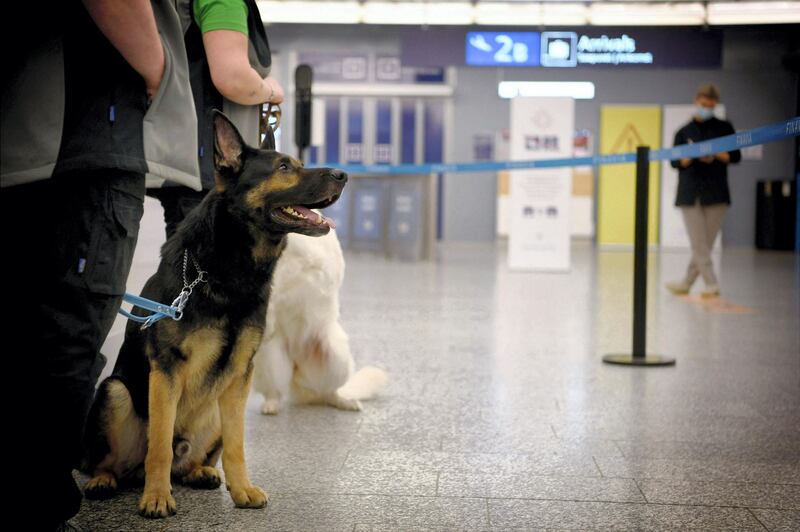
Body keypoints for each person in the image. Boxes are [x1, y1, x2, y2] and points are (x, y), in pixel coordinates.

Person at [1, 1, 200, 529]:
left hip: (34, 143)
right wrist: (157, 65)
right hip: (91, 140)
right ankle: (37, 503)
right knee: (69, 328)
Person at [149, 0, 286, 239]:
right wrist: (271, 90)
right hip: (208, 171)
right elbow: (233, 78)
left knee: (189, 263)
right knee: (200, 268)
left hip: (193, 162)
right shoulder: (224, 1)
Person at [665, 83, 741, 298]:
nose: (706, 107)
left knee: (704, 244)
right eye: (703, 103)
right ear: (696, 100)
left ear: (715, 104)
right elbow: (674, 162)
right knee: (699, 243)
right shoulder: (683, 132)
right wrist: (690, 157)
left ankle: (687, 283)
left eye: (710, 104)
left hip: (716, 193)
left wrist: (715, 154)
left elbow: (735, 156)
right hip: (689, 194)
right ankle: (711, 284)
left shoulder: (724, 128)